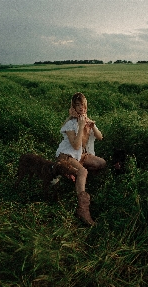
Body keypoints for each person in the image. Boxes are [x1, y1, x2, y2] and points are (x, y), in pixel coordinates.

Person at [56, 92, 106, 225]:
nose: (81, 108)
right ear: (73, 107)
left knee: (101, 163)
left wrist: (92, 125)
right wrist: (81, 126)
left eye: (83, 105)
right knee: (83, 172)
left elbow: (100, 137)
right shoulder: (71, 124)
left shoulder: (85, 120)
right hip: (66, 156)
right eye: (77, 105)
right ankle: (82, 210)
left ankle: (78, 180)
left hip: (80, 156)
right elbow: (76, 145)